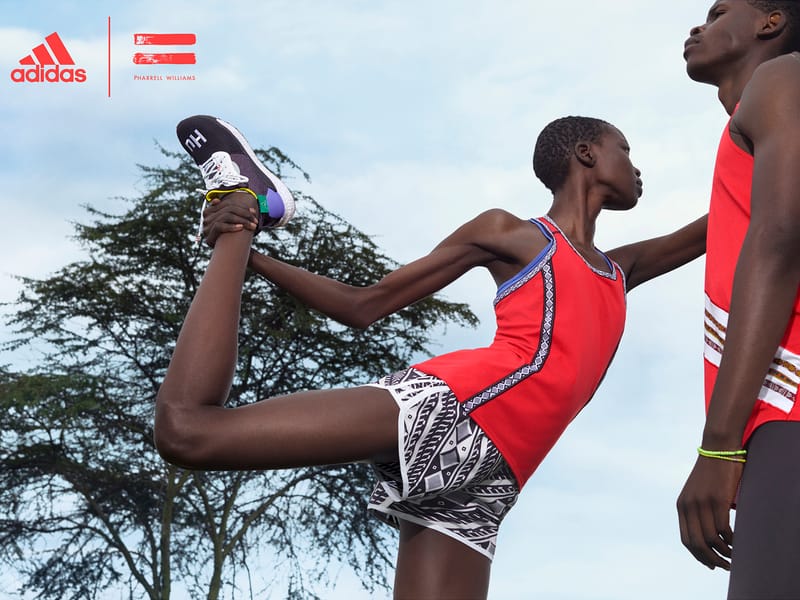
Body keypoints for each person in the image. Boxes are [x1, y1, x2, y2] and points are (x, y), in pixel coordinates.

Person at [155, 113, 706, 599]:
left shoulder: (619, 269)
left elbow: (726, 221)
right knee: (186, 431)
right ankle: (240, 207)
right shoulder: (513, 235)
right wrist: (246, 248)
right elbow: (363, 305)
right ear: (587, 153)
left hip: (495, 479)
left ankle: (244, 223)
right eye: (626, 151)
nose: (636, 168)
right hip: (458, 409)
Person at [676, 1, 800, 598]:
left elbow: (778, 240)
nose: (698, 26)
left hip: (789, 408)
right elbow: (699, 236)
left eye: (720, 10)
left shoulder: (784, 78)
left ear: (770, 23)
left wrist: (717, 446)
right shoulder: (756, 141)